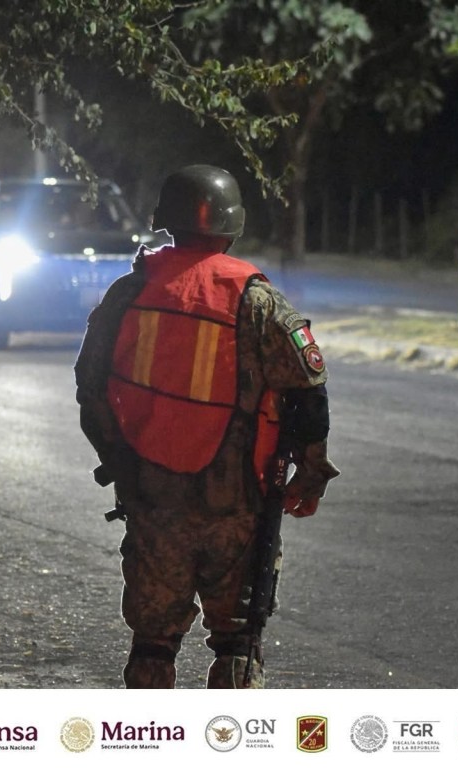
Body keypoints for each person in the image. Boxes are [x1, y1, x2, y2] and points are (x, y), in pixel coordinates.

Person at [75, 164, 340, 689]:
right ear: (233, 225)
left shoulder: (130, 291)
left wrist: (120, 460)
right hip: (237, 503)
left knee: (152, 641)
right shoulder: (256, 300)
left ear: (166, 221)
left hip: (153, 501)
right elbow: (308, 395)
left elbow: (90, 385)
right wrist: (311, 474)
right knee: (238, 641)